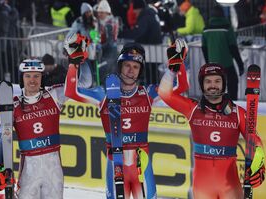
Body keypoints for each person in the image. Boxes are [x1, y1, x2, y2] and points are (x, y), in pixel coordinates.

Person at [63, 32, 188, 199]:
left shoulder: (148, 93)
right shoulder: (104, 94)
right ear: (120, 66)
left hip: (141, 164)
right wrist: (74, 62)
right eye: (127, 65)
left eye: (136, 67)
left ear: (140, 70)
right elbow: (71, 92)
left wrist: (177, 65)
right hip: (115, 163)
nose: (131, 71)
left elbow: (181, 87)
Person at [158, 39, 266, 199]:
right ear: (202, 85)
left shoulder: (237, 112)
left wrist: (258, 164)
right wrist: (173, 69)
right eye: (208, 81)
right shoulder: (192, 108)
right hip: (203, 187)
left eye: (217, 81)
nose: (213, 85)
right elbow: (164, 93)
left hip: (230, 186)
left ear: (224, 84)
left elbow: (255, 141)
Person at [0, 59, 76, 198]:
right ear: (21, 78)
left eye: (36, 76)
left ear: (42, 77)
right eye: (28, 76)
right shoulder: (12, 104)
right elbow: (1, 138)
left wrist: (75, 61)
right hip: (28, 172)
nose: (32, 80)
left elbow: (81, 84)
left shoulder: (54, 95)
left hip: (53, 172)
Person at [202, 4, 244, 100]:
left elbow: (204, 48)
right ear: (223, 15)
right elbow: (233, 48)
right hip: (227, 64)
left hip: (213, 65)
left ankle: (215, 108)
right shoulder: (227, 28)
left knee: (215, 87)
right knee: (232, 84)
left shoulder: (206, 29)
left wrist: (208, 63)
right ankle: (232, 105)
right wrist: (240, 64)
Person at [96, 0, 119, 85]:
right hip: (108, 52)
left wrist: (100, 46)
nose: (99, 14)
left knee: (108, 74)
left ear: (107, 13)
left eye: (102, 13)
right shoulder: (103, 22)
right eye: (99, 12)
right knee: (107, 75)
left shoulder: (109, 23)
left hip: (110, 53)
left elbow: (110, 41)